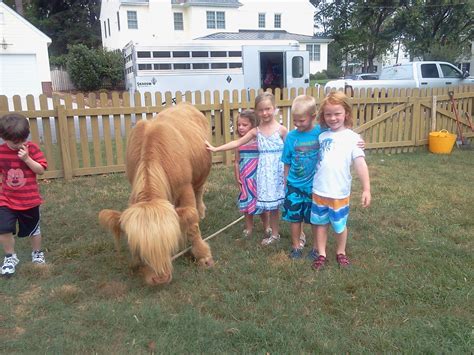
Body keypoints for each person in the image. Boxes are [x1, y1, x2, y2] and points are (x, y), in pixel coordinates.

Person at [207, 92, 287, 245]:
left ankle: (300, 233)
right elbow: (237, 143)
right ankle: (275, 234)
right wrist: (216, 149)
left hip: (279, 173)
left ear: (275, 108)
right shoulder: (256, 132)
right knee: (272, 206)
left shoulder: (282, 130)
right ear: (257, 112)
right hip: (264, 174)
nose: (265, 113)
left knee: (290, 202)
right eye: (261, 110)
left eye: (268, 109)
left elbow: (291, 150)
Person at [310, 91, 371, 270]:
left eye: (337, 113)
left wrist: (366, 189)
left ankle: (340, 251)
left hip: (339, 193)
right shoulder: (321, 136)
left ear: (346, 114)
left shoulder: (353, 139)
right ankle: (321, 253)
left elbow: (360, 164)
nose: (333, 118)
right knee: (320, 224)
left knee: (339, 225)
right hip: (319, 190)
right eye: (328, 114)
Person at [0, 113, 48, 276]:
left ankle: (37, 253)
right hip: (7, 200)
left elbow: (40, 170)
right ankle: (10, 256)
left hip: (30, 201)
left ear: (26, 136)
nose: (18, 145)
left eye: (21, 141)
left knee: (33, 230)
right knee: (3, 228)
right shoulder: (1, 152)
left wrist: (27, 159)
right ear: (3, 137)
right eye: (14, 142)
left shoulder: (32, 149)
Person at [281, 95, 322, 260]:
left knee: (315, 219)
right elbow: (286, 161)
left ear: (313, 116)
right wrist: (285, 181)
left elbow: (341, 135)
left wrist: (358, 142)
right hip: (294, 186)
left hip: (315, 186)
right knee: (295, 218)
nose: (297, 124)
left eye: (301, 121)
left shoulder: (321, 132)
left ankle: (317, 248)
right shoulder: (291, 137)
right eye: (295, 120)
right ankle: (296, 247)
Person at [233, 109, 271, 238]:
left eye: (245, 125)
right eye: (239, 125)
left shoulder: (259, 141)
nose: (241, 127)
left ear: (253, 125)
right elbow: (237, 162)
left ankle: (267, 226)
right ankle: (249, 227)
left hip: (258, 178)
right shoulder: (239, 143)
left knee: (261, 204)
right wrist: (237, 177)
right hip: (245, 178)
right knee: (247, 205)